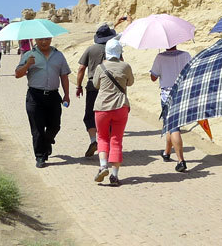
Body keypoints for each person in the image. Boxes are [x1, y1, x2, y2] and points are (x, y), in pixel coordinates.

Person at [75, 16, 129, 158]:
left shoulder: (90, 49)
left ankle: (94, 140)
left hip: (93, 85)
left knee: (90, 115)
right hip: (112, 87)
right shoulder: (115, 49)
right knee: (111, 116)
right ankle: (110, 146)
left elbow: (81, 68)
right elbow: (122, 66)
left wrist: (78, 86)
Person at [14, 36, 71, 168]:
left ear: (51, 39)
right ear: (35, 40)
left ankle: (46, 142)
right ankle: (40, 156)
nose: (43, 42)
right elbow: (17, 74)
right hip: (35, 96)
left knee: (55, 125)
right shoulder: (29, 54)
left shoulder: (59, 55)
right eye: (40, 39)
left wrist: (66, 95)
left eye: (46, 39)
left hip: (53, 95)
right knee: (37, 128)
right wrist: (27, 64)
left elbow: (64, 75)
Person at [92, 38, 134, 186]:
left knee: (102, 137)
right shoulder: (125, 66)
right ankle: (114, 176)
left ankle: (103, 166)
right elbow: (130, 82)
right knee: (116, 140)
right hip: (120, 106)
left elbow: (96, 84)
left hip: (102, 107)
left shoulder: (100, 67)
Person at [150, 45, 191, 172]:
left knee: (173, 127)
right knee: (169, 124)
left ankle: (181, 160)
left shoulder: (160, 57)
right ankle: (167, 152)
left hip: (167, 95)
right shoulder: (186, 55)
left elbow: (153, 77)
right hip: (182, 93)